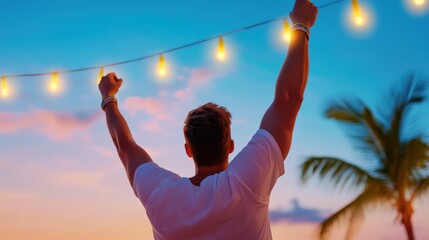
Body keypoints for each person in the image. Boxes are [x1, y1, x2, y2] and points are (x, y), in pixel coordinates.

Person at [98, 0, 317, 239]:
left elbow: (125, 147)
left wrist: (108, 98)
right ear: (230, 146)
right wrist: (301, 25)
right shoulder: (246, 183)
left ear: (188, 149)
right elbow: (289, 98)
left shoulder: (161, 195)